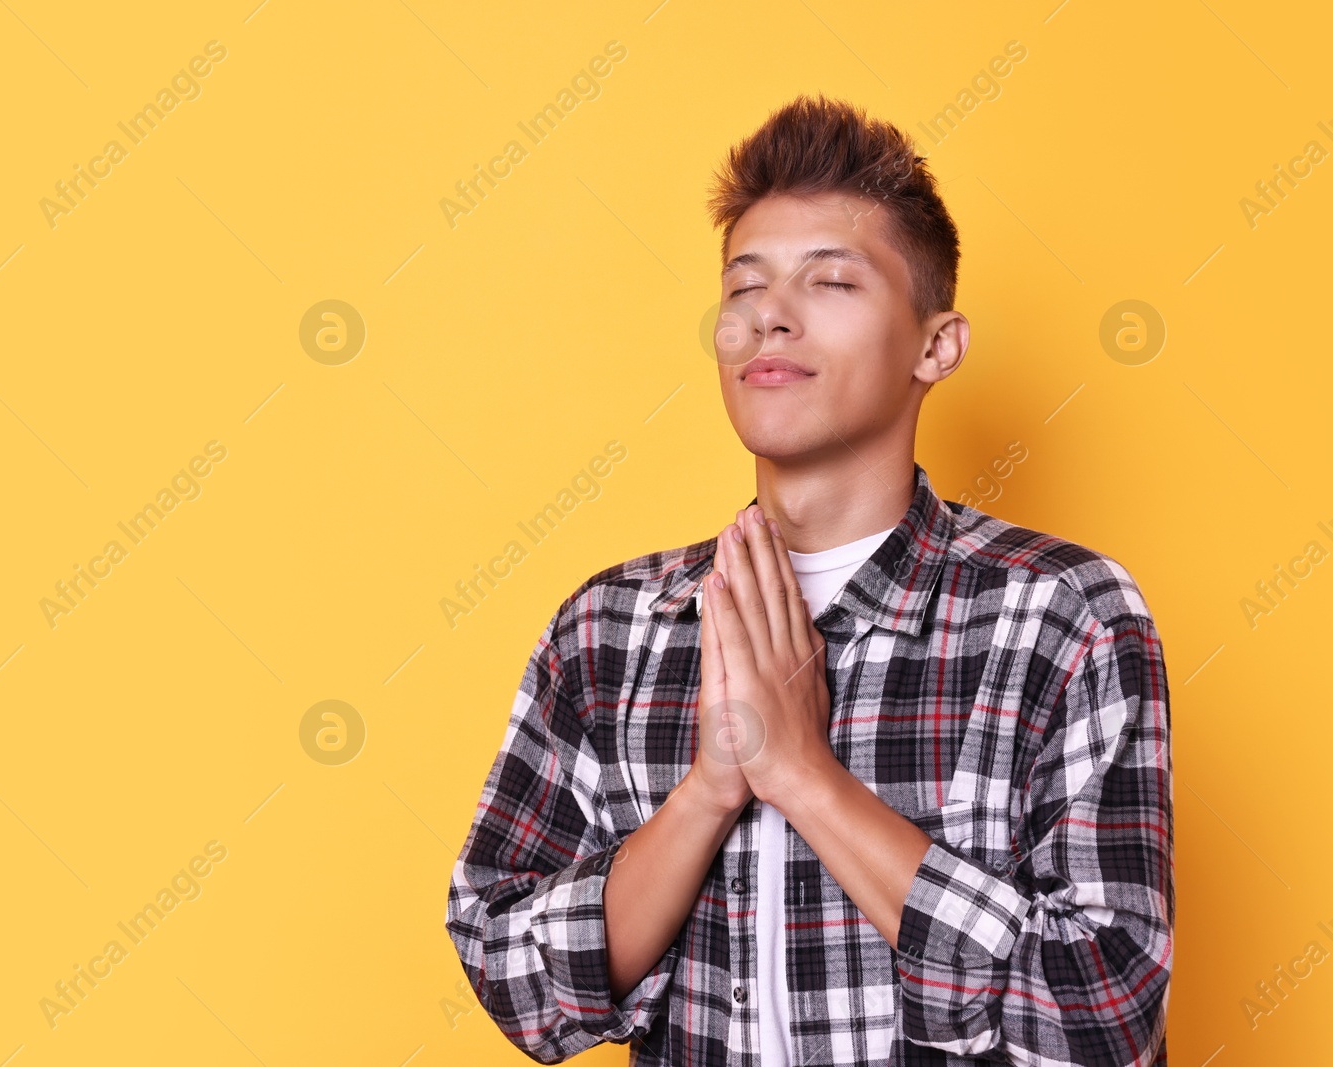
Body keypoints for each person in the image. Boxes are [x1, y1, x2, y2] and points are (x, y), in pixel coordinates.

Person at [444, 92, 1174, 1067]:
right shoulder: (610, 627)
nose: (769, 319)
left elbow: (1099, 1018)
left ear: (934, 344)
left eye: (829, 282)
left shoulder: (1060, 614)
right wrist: (709, 787)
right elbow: (515, 981)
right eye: (743, 289)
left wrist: (801, 773)